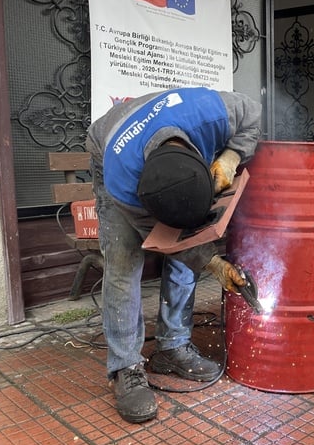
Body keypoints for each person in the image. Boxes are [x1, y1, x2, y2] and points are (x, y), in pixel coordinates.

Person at [86, 87, 262, 423]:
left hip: (171, 147)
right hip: (107, 148)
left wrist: (232, 155)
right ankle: (125, 367)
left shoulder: (213, 112)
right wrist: (212, 262)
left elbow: (254, 111)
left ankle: (172, 346)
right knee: (125, 263)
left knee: (189, 234)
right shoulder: (123, 183)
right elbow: (166, 242)